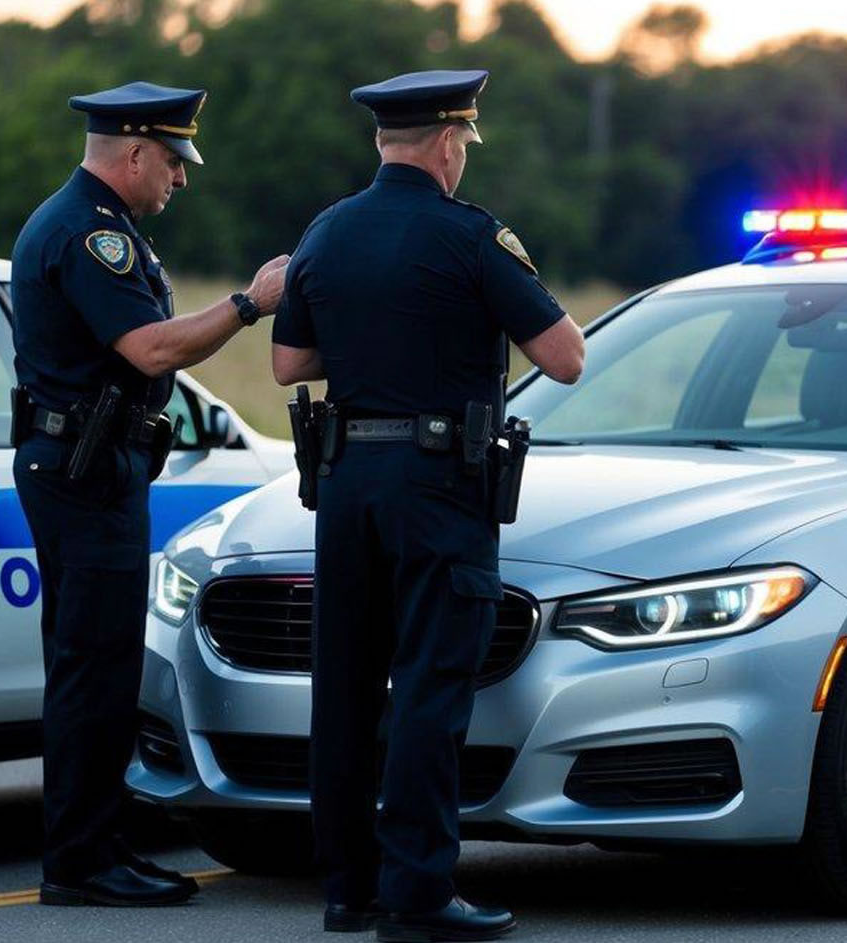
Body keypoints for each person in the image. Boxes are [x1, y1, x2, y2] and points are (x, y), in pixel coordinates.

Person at [271, 69, 584, 940]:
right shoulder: (472, 237)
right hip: (439, 486)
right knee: (430, 687)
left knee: (344, 684)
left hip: (344, 483)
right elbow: (565, 359)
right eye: (463, 145)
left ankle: (350, 888)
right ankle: (419, 890)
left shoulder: (325, 234)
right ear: (448, 144)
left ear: (384, 142)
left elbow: (288, 366)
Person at [11, 81, 287, 907]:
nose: (181, 177)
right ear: (132, 154)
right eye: (173, 160)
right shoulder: (91, 236)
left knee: (90, 666)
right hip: (86, 474)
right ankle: (83, 860)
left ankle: (93, 846)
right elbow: (152, 347)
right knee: (94, 670)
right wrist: (248, 304)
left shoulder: (92, 225)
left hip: (80, 467)